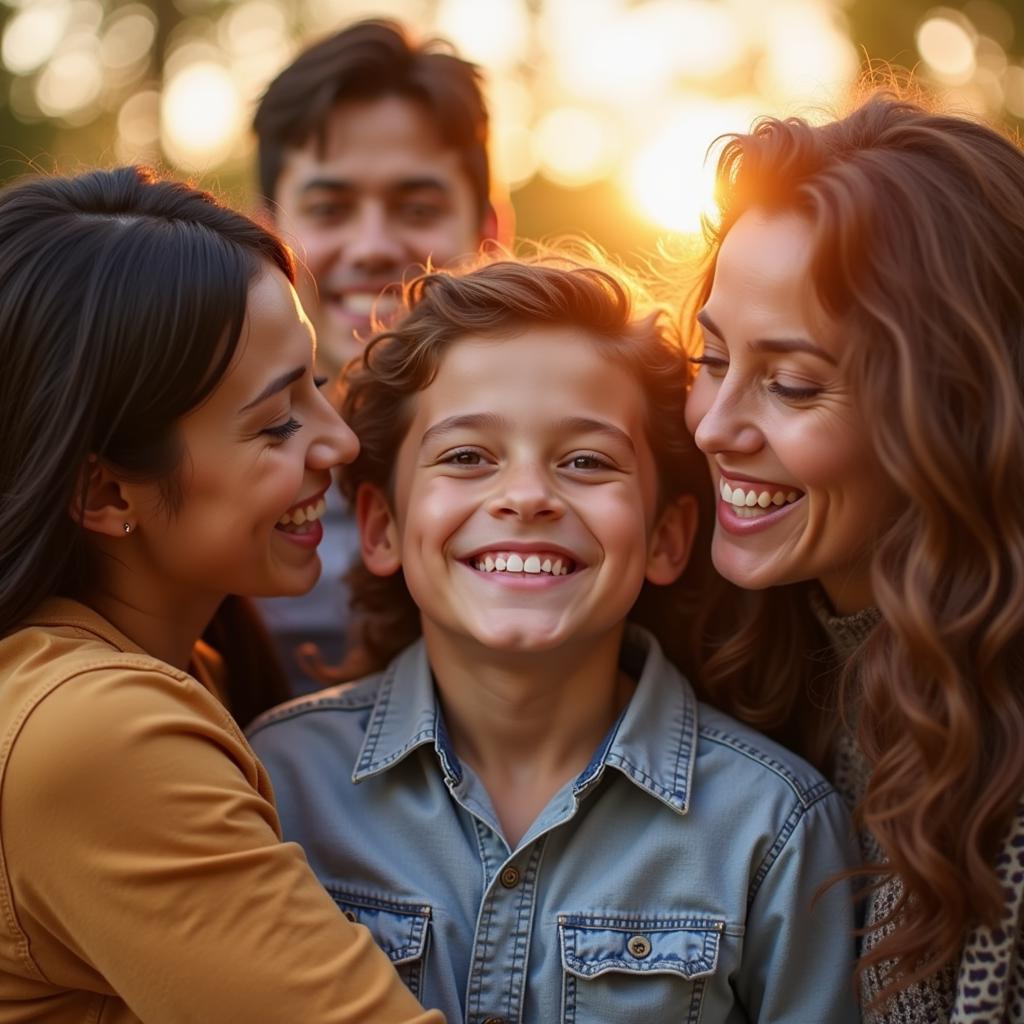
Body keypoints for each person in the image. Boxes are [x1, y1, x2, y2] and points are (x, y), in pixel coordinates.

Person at [248, 258, 862, 1023]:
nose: (529, 497)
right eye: (468, 457)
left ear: (668, 536)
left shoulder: (773, 828)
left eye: (586, 461)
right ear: (382, 527)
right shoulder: (273, 785)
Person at [0, 165, 442, 1024]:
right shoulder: (99, 736)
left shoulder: (186, 659)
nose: (340, 441)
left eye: (316, 383)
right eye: (277, 422)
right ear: (105, 494)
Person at [683, 92, 1024, 1022]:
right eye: (711, 359)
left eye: (792, 385)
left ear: (951, 413)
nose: (715, 428)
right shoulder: (742, 652)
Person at [252, 19, 500, 689]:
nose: (370, 246)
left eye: (416, 207)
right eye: (330, 209)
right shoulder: (194, 473)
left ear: (488, 228)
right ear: (267, 233)